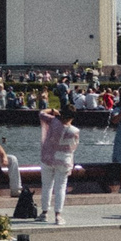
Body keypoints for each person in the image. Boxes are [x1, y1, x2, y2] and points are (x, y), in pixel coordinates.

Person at [35, 91, 80, 225]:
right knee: (61, 187)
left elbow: (41, 113)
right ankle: (58, 215)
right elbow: (73, 147)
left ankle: (44, 213)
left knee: (47, 186)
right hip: (64, 161)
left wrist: (53, 110)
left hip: (48, 158)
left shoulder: (53, 121)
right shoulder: (75, 131)